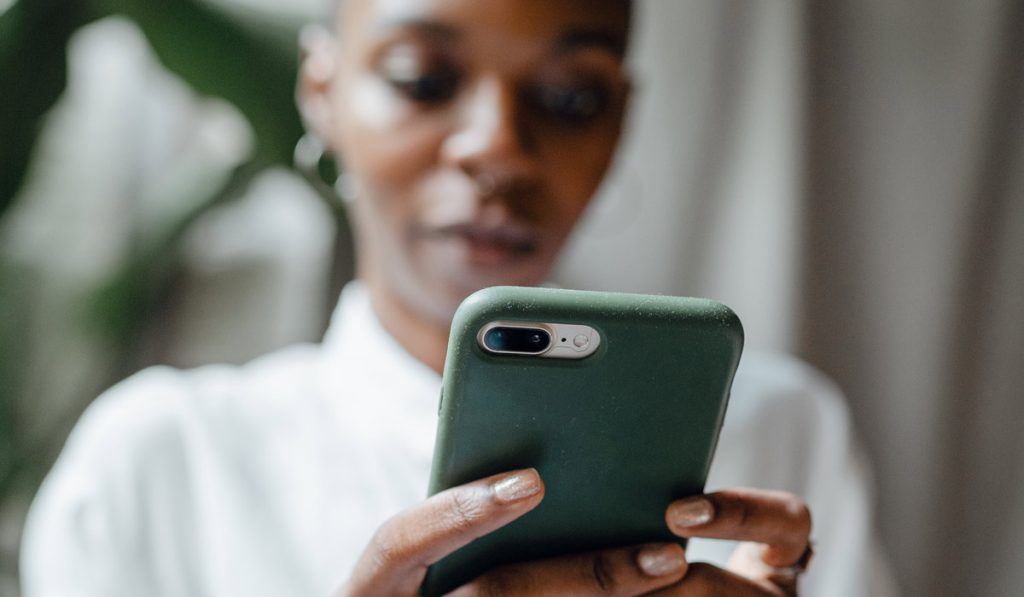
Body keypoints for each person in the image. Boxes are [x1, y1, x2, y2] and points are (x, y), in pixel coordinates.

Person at [21, 0, 895, 595]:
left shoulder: (783, 431)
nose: (499, 147)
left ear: (621, 119)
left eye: (569, 96)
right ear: (322, 93)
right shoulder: (159, 465)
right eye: (423, 80)